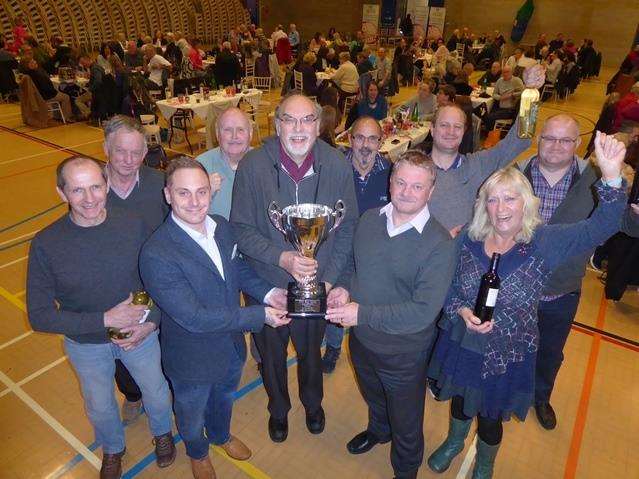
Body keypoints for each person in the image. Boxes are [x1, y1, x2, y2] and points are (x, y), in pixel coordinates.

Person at [426, 132, 626, 479]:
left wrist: (611, 176)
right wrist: (460, 310)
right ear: (482, 205)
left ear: (526, 203)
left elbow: (604, 225)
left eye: (510, 198)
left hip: (508, 351)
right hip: (465, 341)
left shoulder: (545, 241)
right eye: (492, 200)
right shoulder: (469, 240)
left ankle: (486, 462)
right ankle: (455, 441)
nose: (501, 208)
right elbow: (448, 288)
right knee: (460, 401)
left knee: (490, 416)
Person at [139, 157, 289, 479]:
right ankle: (198, 452)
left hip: (232, 348)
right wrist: (259, 314)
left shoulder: (221, 226)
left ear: (211, 192)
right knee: (191, 415)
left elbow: (239, 270)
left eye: (201, 192)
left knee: (224, 399)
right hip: (191, 360)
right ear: (168, 195)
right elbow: (193, 317)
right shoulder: (157, 253)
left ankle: (220, 435)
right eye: (183, 193)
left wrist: (268, 293)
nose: (194, 202)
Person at [27, 157, 176, 479]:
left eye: (96, 186)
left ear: (107, 185)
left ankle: (163, 433)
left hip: (140, 334)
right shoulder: (46, 244)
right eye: (77, 190)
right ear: (61, 193)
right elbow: (39, 316)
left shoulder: (134, 225)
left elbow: (161, 280)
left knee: (157, 390)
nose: (90, 198)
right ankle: (113, 448)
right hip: (86, 345)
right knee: (99, 405)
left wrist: (151, 322)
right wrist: (104, 319)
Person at [230, 93, 358, 443]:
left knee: (311, 356)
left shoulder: (336, 164)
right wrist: (281, 257)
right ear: (277, 124)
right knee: (271, 359)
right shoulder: (253, 166)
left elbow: (347, 227)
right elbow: (240, 228)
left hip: (318, 287)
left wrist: (330, 279)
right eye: (290, 119)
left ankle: (313, 404)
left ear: (319, 125)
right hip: (267, 287)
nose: (298, 128)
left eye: (307, 120)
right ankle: (278, 410)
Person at [325, 150, 456, 479]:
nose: (406, 192)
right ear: (391, 181)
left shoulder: (439, 244)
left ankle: (405, 469)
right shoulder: (370, 219)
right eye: (401, 182)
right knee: (373, 396)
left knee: (407, 420)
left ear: (431, 191)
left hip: (403, 353)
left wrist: (361, 314)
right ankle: (379, 431)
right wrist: (343, 289)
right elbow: (353, 266)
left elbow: (422, 313)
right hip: (362, 341)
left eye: (417, 186)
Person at [514, 115, 635, 430]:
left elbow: (629, 224)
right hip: (516, 288)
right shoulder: (515, 177)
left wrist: (624, 194)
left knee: (550, 352)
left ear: (577, 144)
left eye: (565, 140)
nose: (556, 146)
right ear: (539, 139)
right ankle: (512, 389)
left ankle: (541, 397)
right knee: (510, 345)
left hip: (562, 291)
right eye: (549, 138)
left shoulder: (596, 180)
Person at [321, 116, 392, 373]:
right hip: (339, 248)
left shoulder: (391, 173)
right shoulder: (335, 170)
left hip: (374, 254)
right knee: (335, 296)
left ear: (380, 142)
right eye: (359, 137)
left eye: (372, 138)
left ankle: (370, 347)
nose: (365, 145)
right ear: (349, 140)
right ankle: (333, 346)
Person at [426, 104, 531, 235]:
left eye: (457, 126)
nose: (451, 131)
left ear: (463, 131)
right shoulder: (415, 172)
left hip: (471, 249)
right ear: (432, 129)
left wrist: (530, 95)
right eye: (444, 125)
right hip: (430, 252)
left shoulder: (479, 164)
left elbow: (519, 141)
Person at [196, 108, 252, 219]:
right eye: (227, 130)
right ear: (217, 134)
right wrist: (206, 194)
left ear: (250, 133)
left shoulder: (265, 163)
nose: (234, 136)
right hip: (217, 235)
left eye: (240, 130)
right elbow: (185, 218)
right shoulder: (200, 167)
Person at [483, 66, 524, 131]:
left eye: (507, 72)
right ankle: (490, 131)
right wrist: (500, 97)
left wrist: (512, 95)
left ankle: (490, 133)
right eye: (503, 72)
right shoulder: (499, 81)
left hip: (510, 109)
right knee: (485, 114)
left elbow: (523, 92)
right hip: (500, 106)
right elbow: (494, 94)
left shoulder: (516, 81)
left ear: (511, 72)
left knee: (490, 117)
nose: (505, 74)